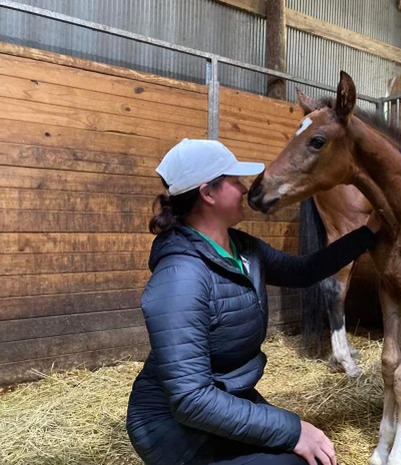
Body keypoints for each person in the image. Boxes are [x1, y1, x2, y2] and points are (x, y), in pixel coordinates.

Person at [126, 139, 380, 465]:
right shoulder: (181, 277)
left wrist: (367, 234)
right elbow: (190, 399)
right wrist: (293, 430)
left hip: (225, 398)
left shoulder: (242, 247)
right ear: (208, 193)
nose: (245, 189)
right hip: (174, 428)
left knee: (314, 455)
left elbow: (303, 271)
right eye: (235, 181)